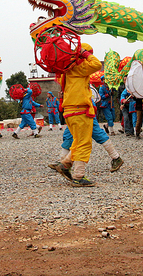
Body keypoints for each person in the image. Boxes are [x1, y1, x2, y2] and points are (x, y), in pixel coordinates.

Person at [51, 42, 102, 187]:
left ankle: (65, 164)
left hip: (69, 111)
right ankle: (78, 176)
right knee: (84, 143)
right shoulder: (81, 68)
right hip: (80, 109)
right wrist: (85, 54)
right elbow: (97, 64)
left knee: (77, 141)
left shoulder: (65, 71)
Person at [50, 97, 123, 172]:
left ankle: (116, 157)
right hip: (74, 110)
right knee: (69, 135)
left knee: (97, 133)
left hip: (84, 108)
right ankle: (62, 161)